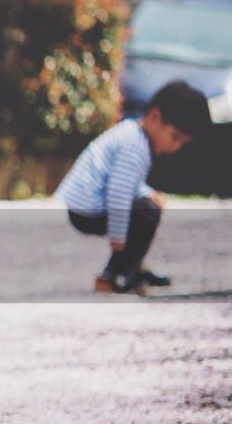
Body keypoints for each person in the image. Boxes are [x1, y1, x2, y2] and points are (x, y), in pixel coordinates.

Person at [56, 81, 211, 294]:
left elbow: (129, 183)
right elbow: (119, 191)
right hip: (89, 208)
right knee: (146, 213)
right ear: (155, 117)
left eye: (182, 143)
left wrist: (148, 193)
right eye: (175, 137)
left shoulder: (132, 133)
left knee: (147, 206)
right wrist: (117, 235)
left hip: (84, 205)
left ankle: (131, 267)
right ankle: (116, 274)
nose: (175, 147)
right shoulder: (134, 147)